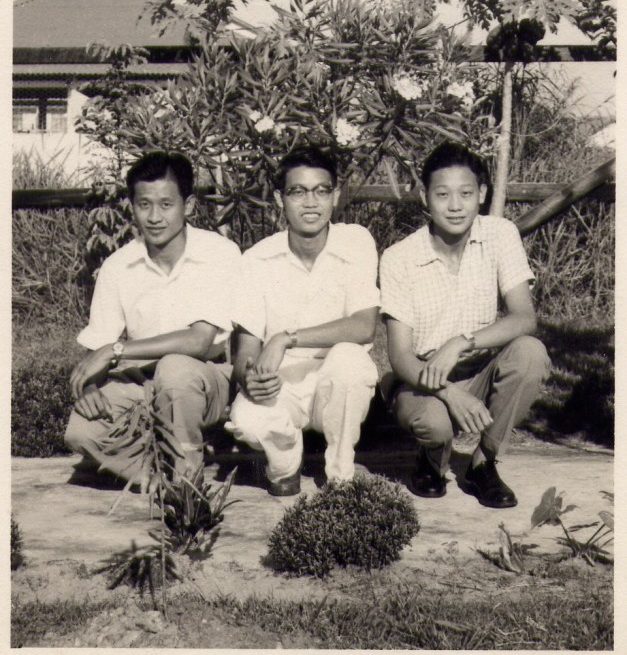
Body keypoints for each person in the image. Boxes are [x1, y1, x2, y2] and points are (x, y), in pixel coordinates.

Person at [380, 141, 550, 508]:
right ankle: (431, 459)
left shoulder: (500, 234)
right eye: (442, 194)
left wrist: (460, 342)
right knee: (435, 425)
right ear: (424, 197)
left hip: (479, 368)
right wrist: (448, 392)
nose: (455, 206)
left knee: (530, 353)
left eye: (466, 193)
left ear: (482, 194)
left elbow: (525, 318)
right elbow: (400, 357)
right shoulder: (398, 258)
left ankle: (483, 463)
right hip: (422, 380)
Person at [65, 151, 241, 483]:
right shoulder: (118, 265)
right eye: (144, 205)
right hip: (141, 384)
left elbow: (199, 341)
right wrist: (89, 388)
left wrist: (116, 350)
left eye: (166, 204)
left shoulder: (218, 253)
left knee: (175, 370)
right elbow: (97, 348)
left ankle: (187, 484)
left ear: (188, 205)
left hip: (206, 381)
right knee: (81, 431)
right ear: (132, 206)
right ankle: (160, 475)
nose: (155, 217)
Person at [226, 144, 380, 496]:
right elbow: (246, 350)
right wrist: (250, 377)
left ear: (335, 195)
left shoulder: (356, 241)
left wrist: (285, 337)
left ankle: (341, 473)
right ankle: (285, 464)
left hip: (336, 385)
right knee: (246, 418)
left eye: (321, 191)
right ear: (279, 199)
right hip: (284, 383)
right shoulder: (257, 259)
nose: (311, 203)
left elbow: (364, 326)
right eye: (297, 192)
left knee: (350, 360)